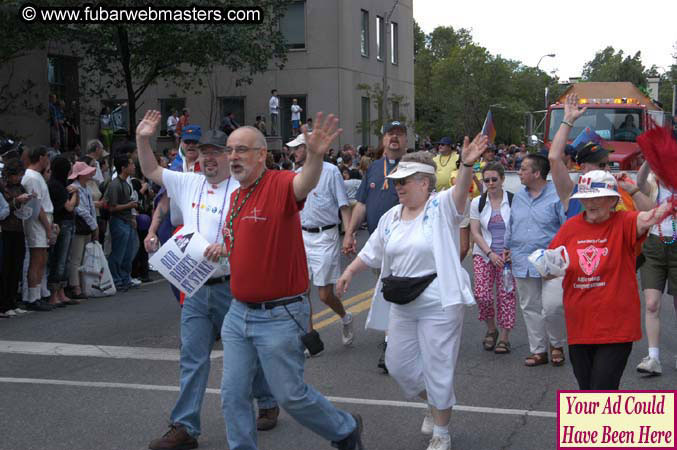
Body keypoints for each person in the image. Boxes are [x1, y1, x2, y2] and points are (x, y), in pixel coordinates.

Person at [220, 116, 364, 450]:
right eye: (230, 151)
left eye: (241, 150)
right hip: (238, 314)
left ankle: (344, 429)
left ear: (261, 155)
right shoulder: (236, 196)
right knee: (232, 395)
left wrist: (314, 156)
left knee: (290, 394)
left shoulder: (281, 183)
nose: (233, 156)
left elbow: (305, 184)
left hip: (279, 315)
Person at [136, 111, 278, 450]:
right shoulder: (188, 182)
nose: (209, 159)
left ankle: (268, 399)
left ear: (228, 157)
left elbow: (257, 230)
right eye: (204, 152)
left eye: (216, 152)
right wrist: (144, 139)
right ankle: (184, 426)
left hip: (235, 286)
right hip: (196, 286)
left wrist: (229, 246)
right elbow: (151, 170)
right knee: (193, 357)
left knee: (248, 353)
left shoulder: (243, 188)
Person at [337, 137, 488, 450]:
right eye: (396, 182)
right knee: (398, 365)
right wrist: (350, 271)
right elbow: (373, 250)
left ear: (424, 183)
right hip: (403, 301)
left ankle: (441, 432)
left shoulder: (441, 205)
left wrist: (468, 165)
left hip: (439, 301)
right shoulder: (392, 216)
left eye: (404, 182)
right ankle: (434, 401)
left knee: (438, 366)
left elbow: (461, 194)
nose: (398, 187)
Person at [548, 171, 674, 389]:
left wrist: (638, 192)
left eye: (597, 197)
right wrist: (546, 266)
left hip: (616, 328)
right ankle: (601, 424)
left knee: (602, 390)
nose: (591, 203)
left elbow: (652, 216)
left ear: (613, 200)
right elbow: (552, 264)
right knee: (587, 392)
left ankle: (606, 423)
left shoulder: (625, 222)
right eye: (586, 198)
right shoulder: (570, 228)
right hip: (580, 326)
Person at [343, 120, 407, 373]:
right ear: (382, 140)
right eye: (390, 134)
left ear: (405, 140)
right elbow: (361, 204)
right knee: (385, 289)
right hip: (378, 241)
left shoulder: (414, 167)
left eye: (399, 134)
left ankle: (393, 344)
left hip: (404, 242)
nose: (394, 138)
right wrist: (349, 234)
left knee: (395, 290)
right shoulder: (373, 168)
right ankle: (396, 337)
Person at [287, 133, 354, 346]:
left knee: (324, 295)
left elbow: (344, 205)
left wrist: (349, 235)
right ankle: (310, 338)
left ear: (309, 148)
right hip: (301, 236)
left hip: (326, 236)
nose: (293, 152)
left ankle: (346, 317)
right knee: (301, 290)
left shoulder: (331, 171)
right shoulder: (294, 175)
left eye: (297, 148)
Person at [506, 154, 567, 367]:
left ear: (537, 173)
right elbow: (512, 224)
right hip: (522, 259)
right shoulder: (519, 197)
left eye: (523, 169)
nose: (519, 172)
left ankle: (556, 344)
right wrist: (507, 247)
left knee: (552, 306)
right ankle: (539, 351)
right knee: (530, 306)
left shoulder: (557, 195)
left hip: (551, 262)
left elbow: (567, 228)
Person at [634, 162, 677, 375]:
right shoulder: (653, 181)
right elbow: (639, 184)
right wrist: (648, 159)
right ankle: (653, 358)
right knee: (651, 304)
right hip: (653, 245)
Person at [469, 162, 516, 354]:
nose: (490, 183)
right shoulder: (477, 202)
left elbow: (520, 227)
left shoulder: (514, 200)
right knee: (482, 295)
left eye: (494, 179)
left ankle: (504, 338)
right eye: (486, 180)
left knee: (506, 296)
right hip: (484, 254)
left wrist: (511, 250)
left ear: (502, 179)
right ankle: (491, 329)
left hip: (507, 256)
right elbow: (475, 231)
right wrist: (489, 253)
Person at [21, 146, 55, 311]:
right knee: (37, 259)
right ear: (41, 158)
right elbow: (38, 206)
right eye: (46, 157)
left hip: (43, 219)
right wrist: (48, 228)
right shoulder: (32, 177)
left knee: (41, 259)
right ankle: (32, 297)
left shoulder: (36, 176)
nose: (48, 160)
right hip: (37, 221)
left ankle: (38, 293)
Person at [46, 156, 79, 307]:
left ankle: (62, 291)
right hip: (62, 223)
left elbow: (74, 205)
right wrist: (75, 193)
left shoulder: (62, 184)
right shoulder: (55, 186)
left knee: (66, 259)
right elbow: (69, 206)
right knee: (59, 258)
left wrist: (74, 193)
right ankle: (54, 293)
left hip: (68, 223)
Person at [0, 159, 32, 317]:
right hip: (5, 229)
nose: (19, 178)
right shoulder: (3, 186)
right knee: (6, 266)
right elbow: (4, 207)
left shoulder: (20, 187)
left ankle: (12, 301)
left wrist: (27, 199)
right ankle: (4, 304)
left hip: (19, 227)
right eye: (17, 175)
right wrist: (15, 201)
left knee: (17, 265)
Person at [105, 154, 138, 291]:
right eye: (131, 164)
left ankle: (125, 278)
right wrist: (129, 206)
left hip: (127, 221)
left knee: (128, 252)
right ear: (123, 168)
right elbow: (112, 207)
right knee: (118, 252)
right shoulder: (115, 184)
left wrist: (132, 218)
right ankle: (116, 279)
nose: (134, 166)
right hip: (118, 221)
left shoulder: (126, 183)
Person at [68, 161, 98, 299]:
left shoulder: (85, 187)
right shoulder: (74, 188)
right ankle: (75, 286)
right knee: (76, 257)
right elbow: (80, 209)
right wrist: (93, 225)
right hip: (80, 226)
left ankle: (82, 284)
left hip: (87, 226)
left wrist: (93, 224)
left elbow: (90, 208)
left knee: (83, 257)